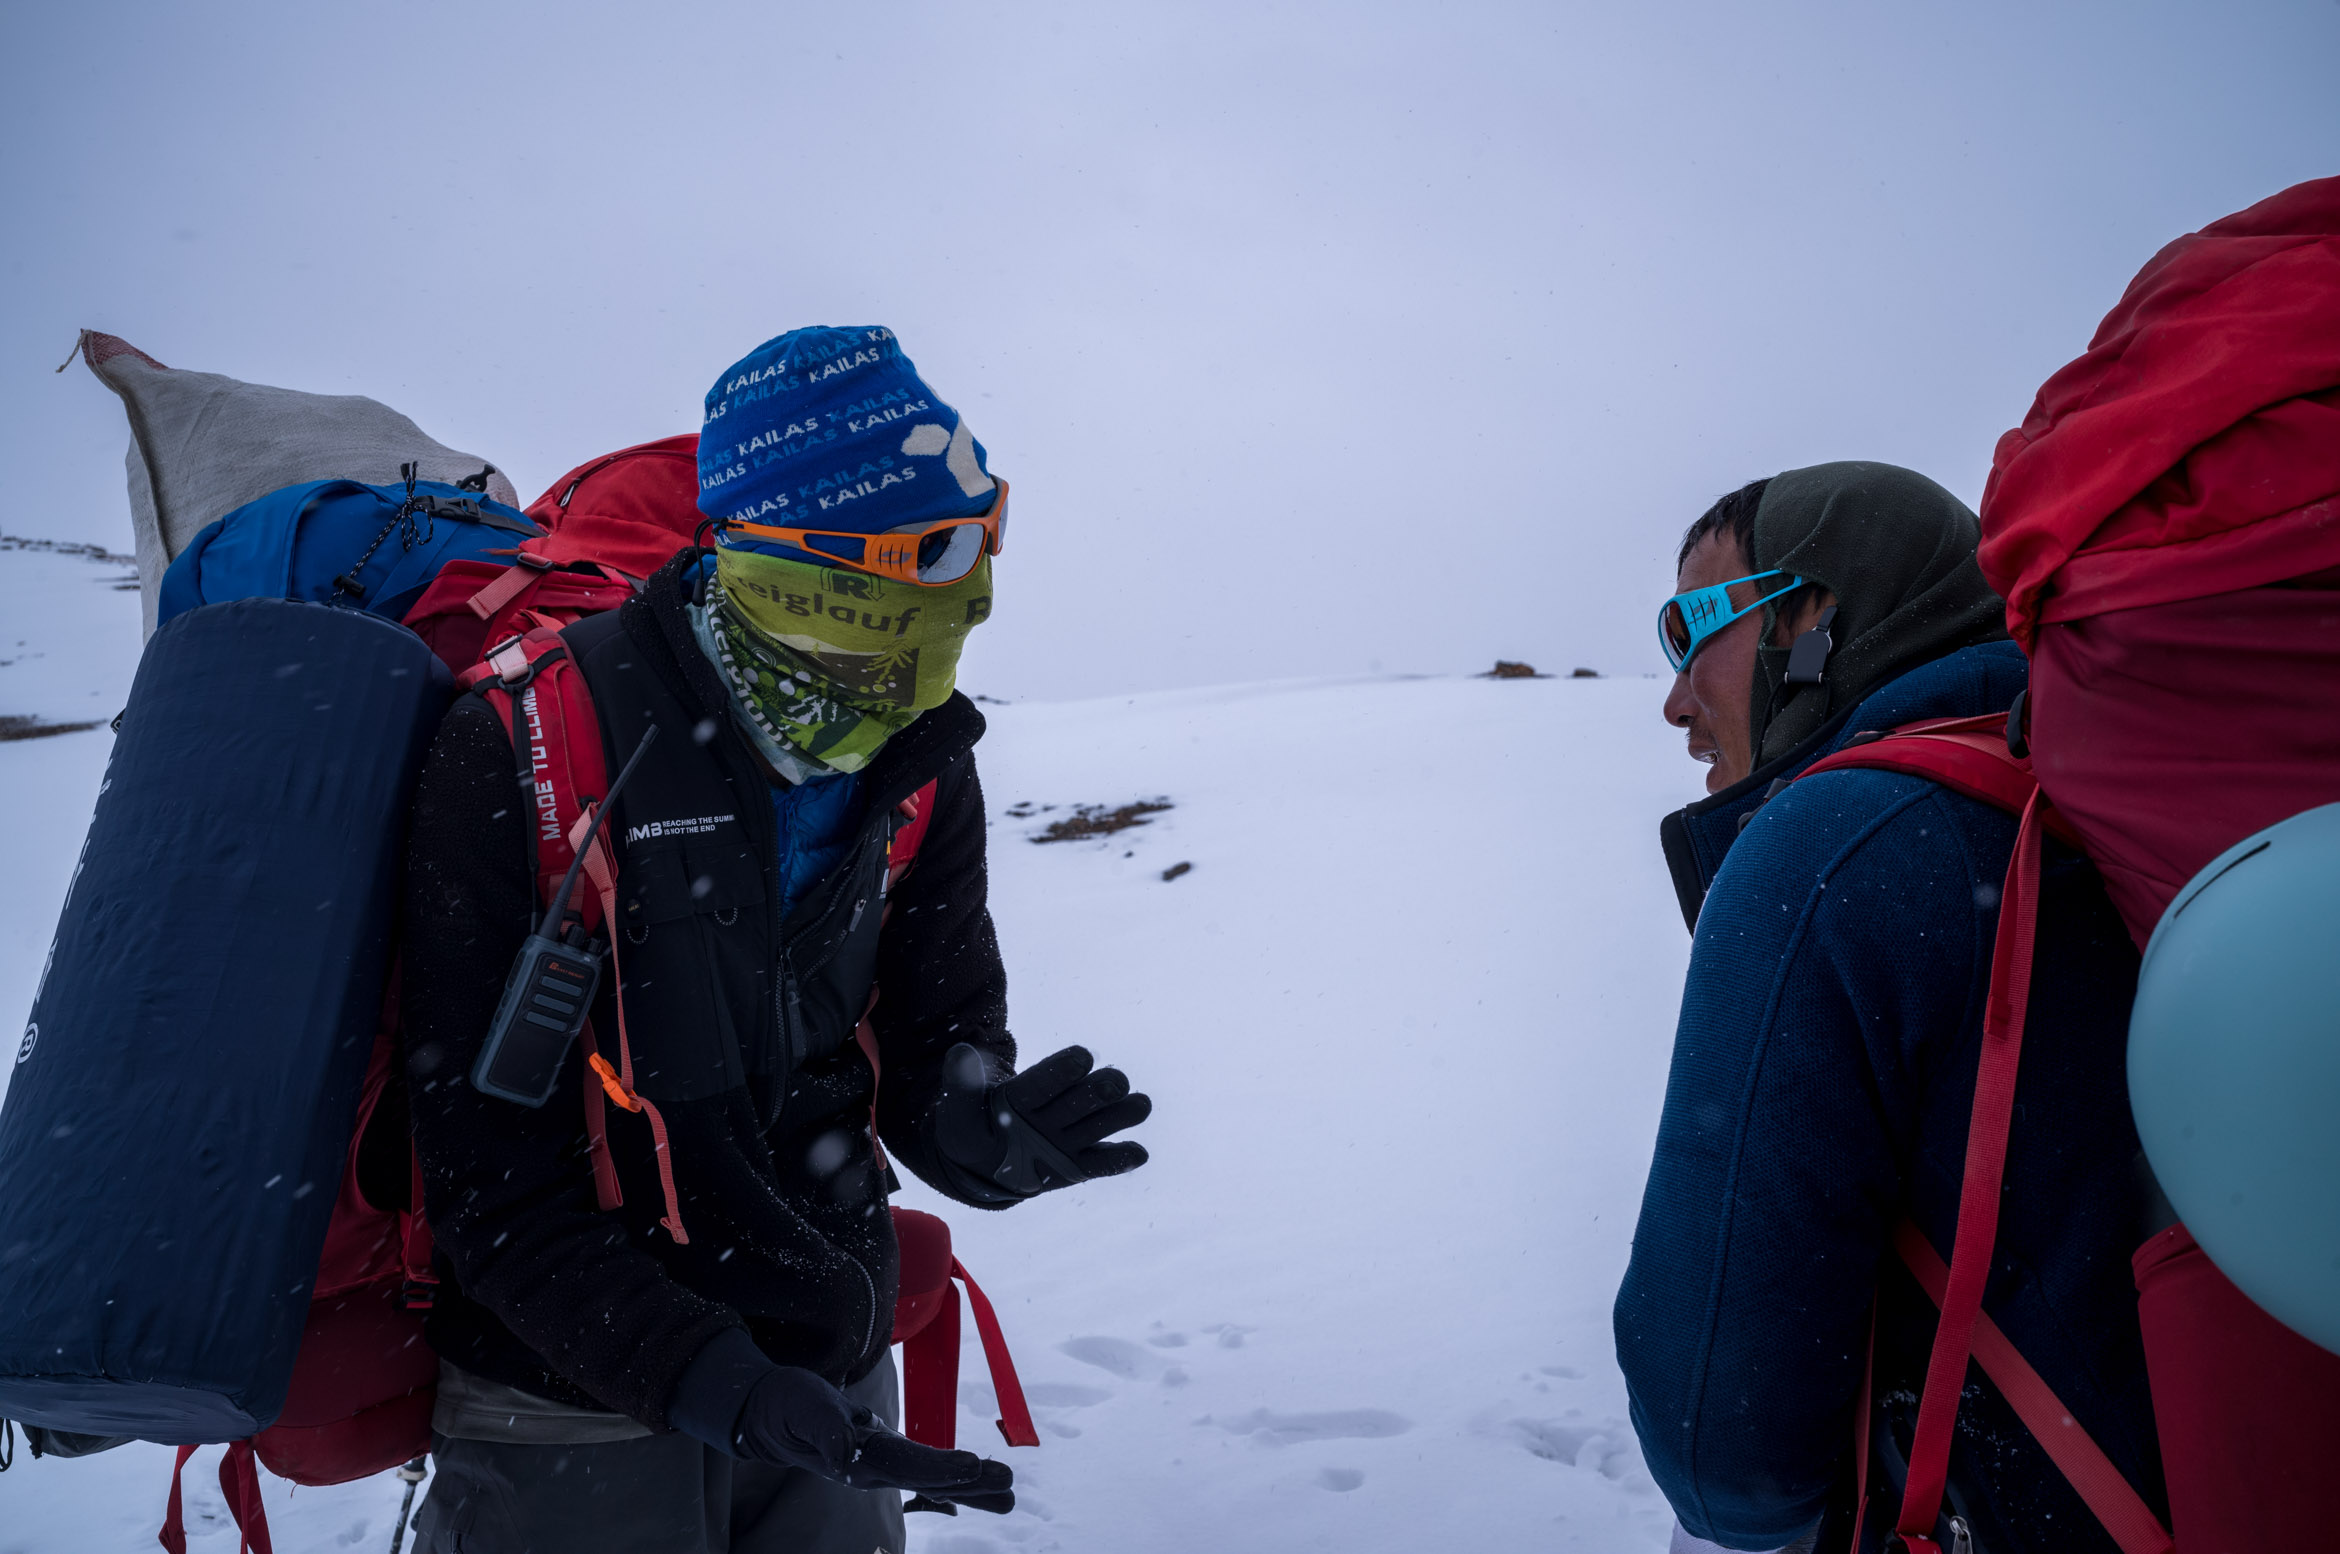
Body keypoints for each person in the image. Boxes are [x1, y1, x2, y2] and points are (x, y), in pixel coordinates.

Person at [400, 326, 1153, 1554]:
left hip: (826, 1380)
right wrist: (716, 1381)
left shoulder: (917, 757)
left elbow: (930, 1040)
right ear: (785, 554)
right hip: (569, 1408)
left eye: (982, 542)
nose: (964, 597)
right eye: (923, 558)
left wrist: (985, 1131)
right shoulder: (524, 750)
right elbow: (489, 1187)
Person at [1617, 463, 2165, 1552]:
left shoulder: (1826, 854)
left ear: (1813, 616)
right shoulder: (2108, 791)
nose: (1674, 698)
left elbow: (1723, 1456)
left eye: (1693, 628)